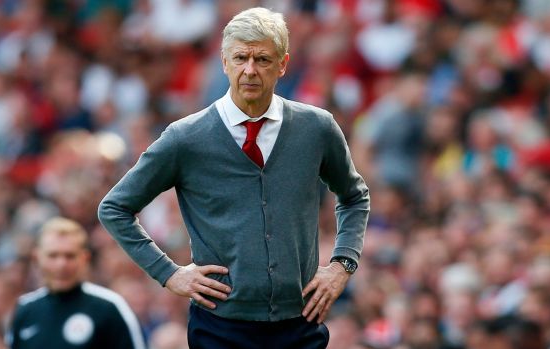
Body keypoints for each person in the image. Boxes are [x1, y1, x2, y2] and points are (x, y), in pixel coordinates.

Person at [98, 7, 370, 349]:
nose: (250, 70)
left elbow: (354, 196)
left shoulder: (316, 128)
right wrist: (169, 274)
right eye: (240, 58)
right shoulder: (186, 137)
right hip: (219, 327)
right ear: (224, 62)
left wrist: (342, 265)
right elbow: (115, 208)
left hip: (301, 322)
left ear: (283, 64)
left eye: (263, 59)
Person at [5, 217, 147, 349]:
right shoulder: (25, 310)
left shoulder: (109, 307)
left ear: (85, 258)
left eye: (70, 256)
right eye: (53, 255)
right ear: (37, 258)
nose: (61, 264)